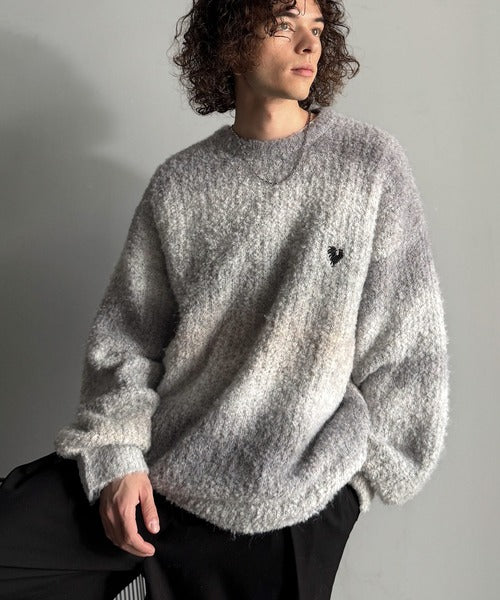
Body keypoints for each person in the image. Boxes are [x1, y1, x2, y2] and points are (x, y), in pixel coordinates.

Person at [0, 0, 450, 599]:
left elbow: (407, 340)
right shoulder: (180, 183)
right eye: (284, 25)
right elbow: (128, 340)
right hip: (158, 473)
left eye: (317, 29)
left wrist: (353, 488)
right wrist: (117, 456)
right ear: (232, 40)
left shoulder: (368, 165)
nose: (309, 45)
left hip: (288, 498)